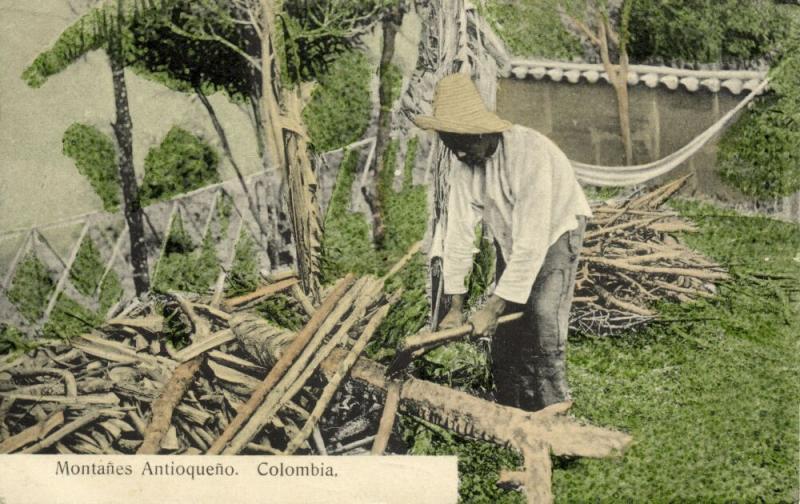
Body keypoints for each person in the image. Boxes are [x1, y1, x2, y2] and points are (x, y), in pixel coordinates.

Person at [414, 73, 593, 411]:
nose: (462, 156)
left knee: (541, 318)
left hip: (555, 231)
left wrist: (491, 307)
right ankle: (510, 410)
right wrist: (455, 308)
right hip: (511, 236)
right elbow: (459, 237)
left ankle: (554, 414)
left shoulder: (530, 154)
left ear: (484, 131)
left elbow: (532, 243)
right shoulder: (463, 166)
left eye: (466, 146)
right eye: (453, 148)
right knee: (507, 331)